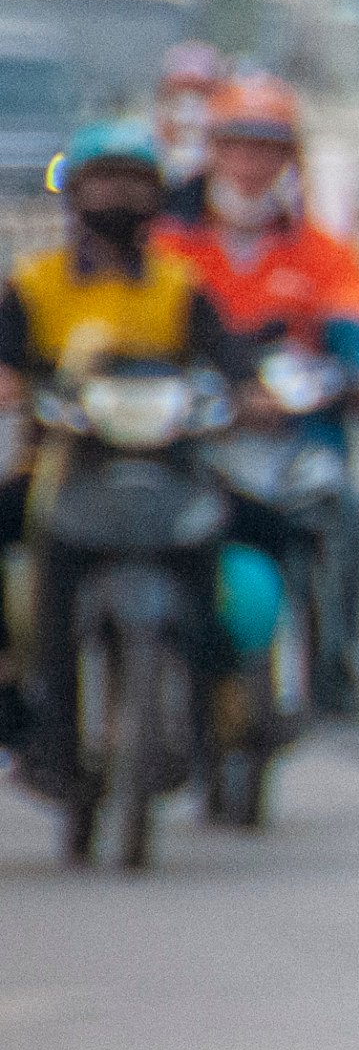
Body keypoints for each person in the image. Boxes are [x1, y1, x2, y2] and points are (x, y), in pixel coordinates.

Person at [0, 122, 256, 790]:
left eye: (134, 183)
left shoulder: (181, 283)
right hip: (59, 467)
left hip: (169, 467)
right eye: (104, 182)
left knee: (249, 533)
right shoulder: (36, 283)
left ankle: (226, 695)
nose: (118, 197)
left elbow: (231, 360)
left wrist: (255, 392)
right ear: (76, 196)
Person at [156, 77, 359, 715]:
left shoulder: (322, 253)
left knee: (342, 513)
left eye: (267, 149)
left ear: (290, 159)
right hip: (187, 435)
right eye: (237, 146)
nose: (250, 165)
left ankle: (331, 659)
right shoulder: (169, 245)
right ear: (211, 151)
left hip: (293, 436)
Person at [151, 42, 224, 219]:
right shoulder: (147, 164)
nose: (188, 110)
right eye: (178, 94)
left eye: (201, 92)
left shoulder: (230, 177)